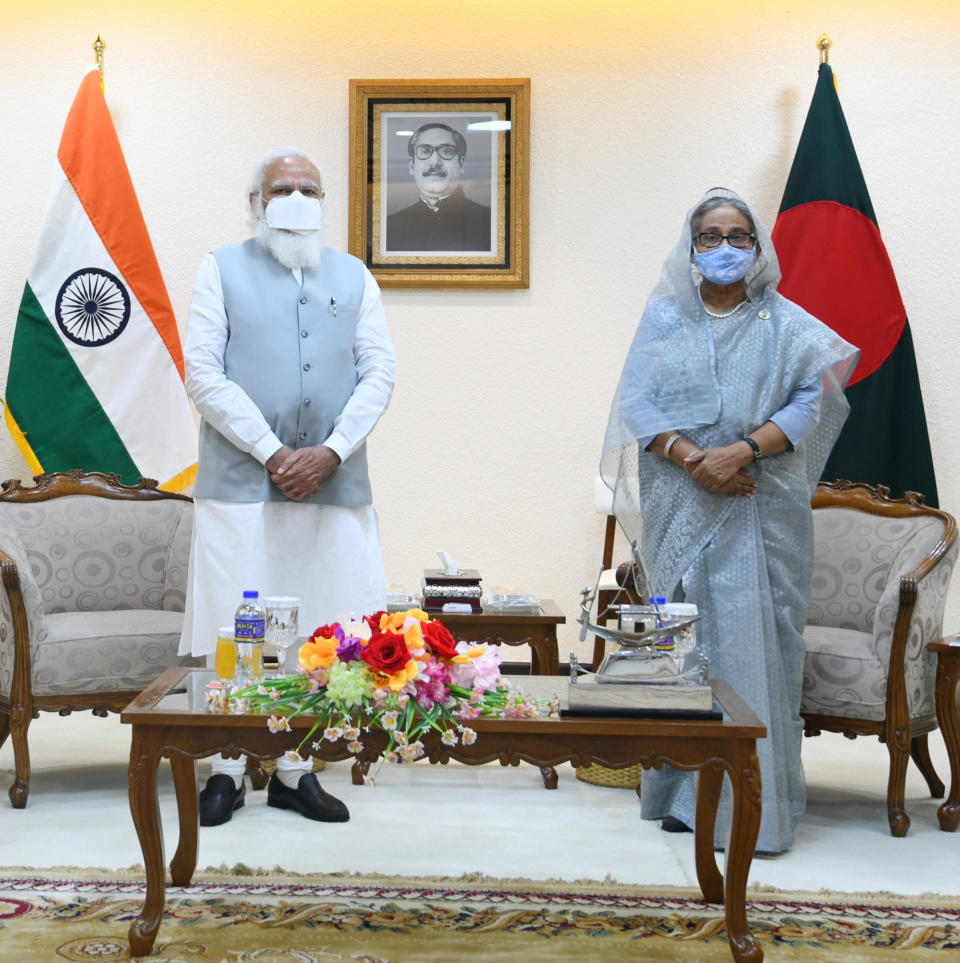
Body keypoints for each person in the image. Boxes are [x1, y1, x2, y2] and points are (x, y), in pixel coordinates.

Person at [600, 187, 859, 854]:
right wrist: (694, 460)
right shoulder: (664, 322)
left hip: (758, 505)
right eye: (710, 236)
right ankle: (681, 800)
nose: (724, 247)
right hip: (682, 501)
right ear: (691, 249)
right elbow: (639, 402)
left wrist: (743, 449)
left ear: (757, 247)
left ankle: (752, 809)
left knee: (751, 648)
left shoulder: (787, 325)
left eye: (737, 235)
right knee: (686, 647)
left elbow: (815, 399)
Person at [179, 147, 396, 826]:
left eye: (309, 188)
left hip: (330, 482)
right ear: (256, 202)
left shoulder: (354, 275)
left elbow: (378, 372)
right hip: (243, 481)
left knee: (316, 620)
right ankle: (228, 762)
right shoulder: (220, 269)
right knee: (240, 623)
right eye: (283, 189)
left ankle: (296, 768)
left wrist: (329, 451)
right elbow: (204, 375)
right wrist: (275, 452)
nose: (297, 198)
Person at [385, 122, 492, 252]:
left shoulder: (491, 223)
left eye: (446, 151)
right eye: (425, 151)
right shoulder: (389, 227)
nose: (435, 162)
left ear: (461, 164)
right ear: (411, 165)